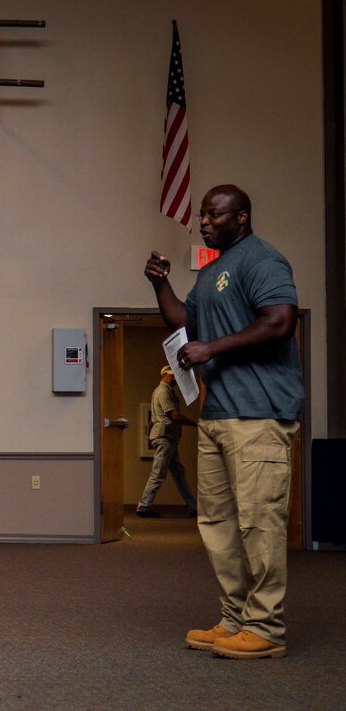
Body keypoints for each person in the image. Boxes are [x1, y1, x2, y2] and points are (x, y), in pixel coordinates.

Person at [144, 184, 304, 660]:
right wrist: (159, 285)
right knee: (218, 524)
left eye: (215, 215)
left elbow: (280, 320)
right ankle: (235, 618)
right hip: (217, 415)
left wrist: (211, 349)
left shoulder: (262, 260)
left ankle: (266, 627)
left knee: (260, 525)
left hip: (260, 413)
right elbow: (184, 325)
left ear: (242, 216)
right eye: (202, 215)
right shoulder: (212, 269)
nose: (205, 222)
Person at [135, 366, 198, 518]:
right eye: (171, 376)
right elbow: (175, 416)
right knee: (158, 473)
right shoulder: (163, 392)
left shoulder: (164, 391)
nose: (174, 378)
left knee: (179, 474)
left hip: (169, 439)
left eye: (175, 376)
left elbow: (153, 420)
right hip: (165, 438)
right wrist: (197, 423)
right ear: (164, 375)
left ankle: (193, 507)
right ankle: (143, 507)